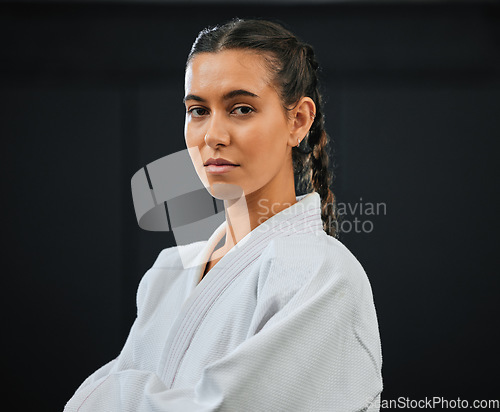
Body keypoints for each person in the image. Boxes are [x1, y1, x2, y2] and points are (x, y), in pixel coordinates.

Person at [65, 17, 383, 411]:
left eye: (242, 109)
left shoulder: (321, 272)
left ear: (298, 120)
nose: (213, 135)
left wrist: (110, 394)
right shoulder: (168, 274)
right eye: (198, 111)